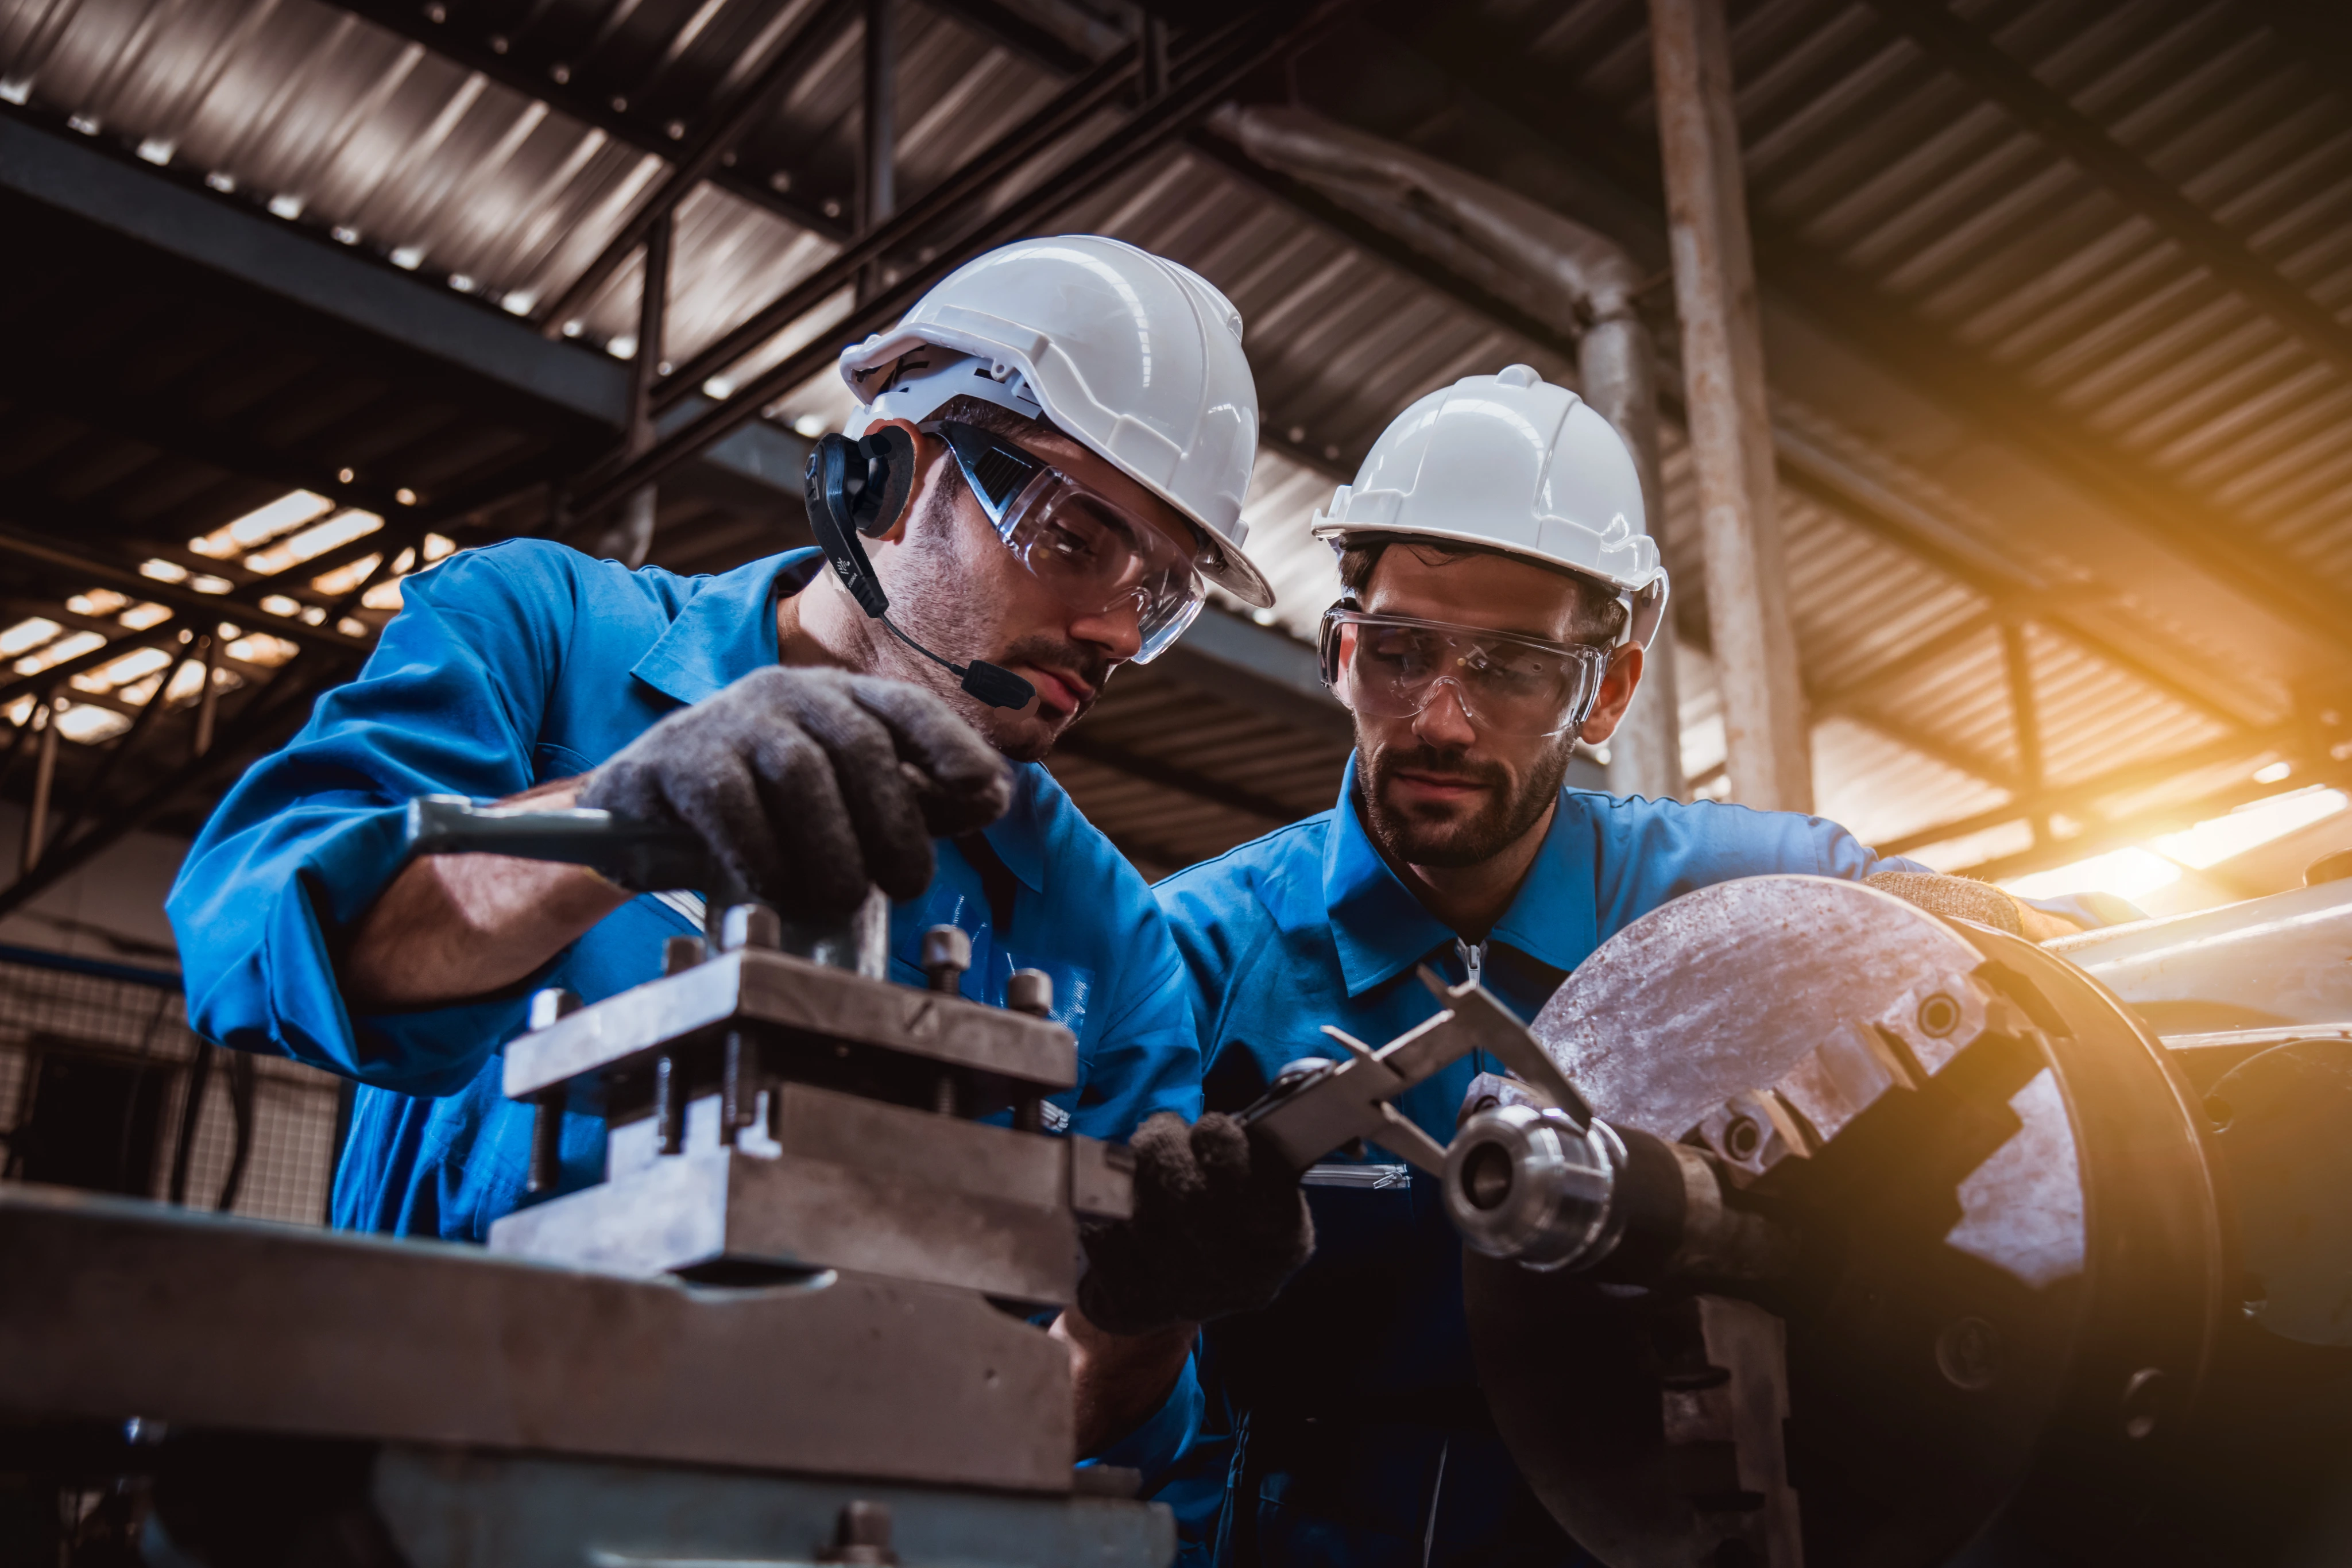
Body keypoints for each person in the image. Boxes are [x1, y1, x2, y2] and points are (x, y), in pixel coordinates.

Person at [166, 234, 1307, 1464]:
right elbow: (251, 933)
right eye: (1075, 540)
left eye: (1161, 596)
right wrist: (614, 817)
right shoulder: (543, 638)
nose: (1110, 633)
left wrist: (1142, 1316)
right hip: (411, 1490)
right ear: (891, 476)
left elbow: (1068, 1414)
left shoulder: (1106, 937)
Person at [1150, 364, 2115, 1565]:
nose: (1440, 720)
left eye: (1509, 670)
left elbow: (2048, 966)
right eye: (1399, 653)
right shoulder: (1192, 955)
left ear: (1602, 691)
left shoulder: (1751, 904)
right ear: (1338, 650)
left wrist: (1993, 932)